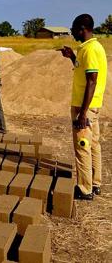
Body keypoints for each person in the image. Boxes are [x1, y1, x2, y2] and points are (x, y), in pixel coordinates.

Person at [58, 14, 107, 200]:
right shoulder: (89, 48)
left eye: (73, 28)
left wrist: (82, 113)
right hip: (90, 106)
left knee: (82, 146)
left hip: (84, 108)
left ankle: (85, 189)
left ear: (82, 28)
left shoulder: (91, 50)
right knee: (94, 145)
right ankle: (95, 183)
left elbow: (92, 82)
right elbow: (83, 71)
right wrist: (72, 57)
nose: (71, 31)